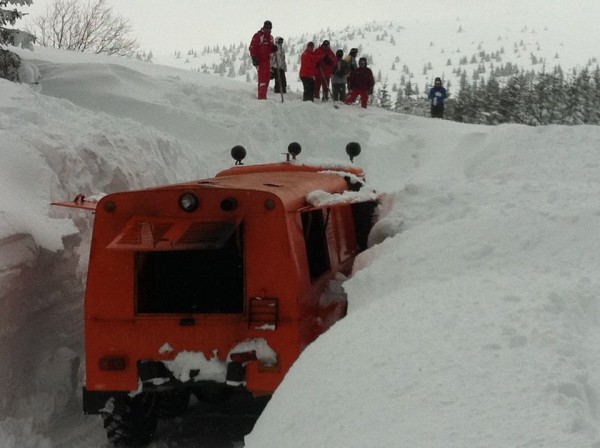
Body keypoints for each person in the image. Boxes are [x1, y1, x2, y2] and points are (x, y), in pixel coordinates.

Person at [249, 20, 277, 100]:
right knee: (262, 79)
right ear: (264, 27)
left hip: (267, 61)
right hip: (260, 61)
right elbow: (252, 47)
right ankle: (261, 97)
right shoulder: (258, 35)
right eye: (267, 27)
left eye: (270, 28)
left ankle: (264, 96)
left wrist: (273, 48)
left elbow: (270, 48)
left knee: (267, 78)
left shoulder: (271, 38)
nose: (268, 29)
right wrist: (254, 57)